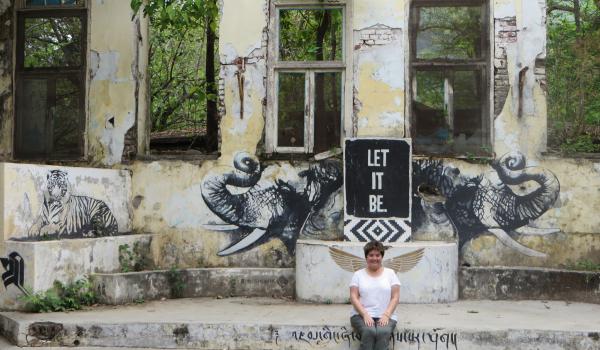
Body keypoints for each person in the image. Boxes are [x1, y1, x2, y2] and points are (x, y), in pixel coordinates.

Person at [349, 241, 400, 350]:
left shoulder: (390, 274)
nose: (374, 258)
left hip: (386, 315)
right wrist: (365, 314)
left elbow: (395, 297)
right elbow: (353, 297)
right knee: (369, 331)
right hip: (361, 315)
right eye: (371, 255)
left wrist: (386, 315)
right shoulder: (358, 275)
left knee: (383, 332)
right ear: (366, 257)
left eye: (378, 255)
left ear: (382, 257)